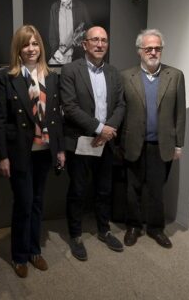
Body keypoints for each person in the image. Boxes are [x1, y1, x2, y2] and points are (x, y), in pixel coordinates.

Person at [0, 25, 65, 278]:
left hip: (45, 151)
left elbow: (56, 116)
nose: (31, 49)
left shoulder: (52, 76)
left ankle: (35, 251)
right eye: (26, 45)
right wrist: (1, 156)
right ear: (19, 49)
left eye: (35, 44)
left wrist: (60, 150)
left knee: (37, 203)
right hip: (20, 152)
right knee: (23, 203)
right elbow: (0, 120)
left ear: (40, 47)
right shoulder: (7, 77)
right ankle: (19, 255)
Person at [60, 26, 125, 261]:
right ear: (84, 44)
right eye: (95, 40)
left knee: (104, 189)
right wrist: (99, 128)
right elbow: (69, 106)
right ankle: (76, 235)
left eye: (104, 40)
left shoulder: (114, 73)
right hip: (81, 141)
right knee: (78, 190)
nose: (100, 44)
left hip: (106, 143)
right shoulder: (69, 70)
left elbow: (121, 106)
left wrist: (107, 132)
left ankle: (103, 230)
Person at [120, 29, 186, 249]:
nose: (153, 52)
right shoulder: (125, 76)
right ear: (140, 51)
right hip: (133, 143)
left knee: (157, 190)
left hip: (162, 145)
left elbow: (180, 113)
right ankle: (133, 226)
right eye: (149, 48)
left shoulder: (175, 76)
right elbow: (120, 111)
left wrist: (179, 144)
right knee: (133, 189)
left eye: (157, 48)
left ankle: (156, 228)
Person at [48, 0, 91, 65]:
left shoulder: (81, 6)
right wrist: (55, 52)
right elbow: (52, 34)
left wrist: (82, 38)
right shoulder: (54, 7)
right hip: (59, 56)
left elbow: (90, 29)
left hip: (76, 57)